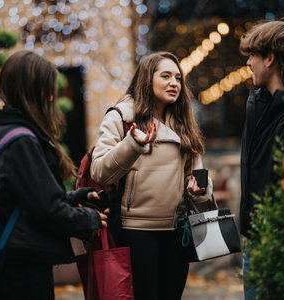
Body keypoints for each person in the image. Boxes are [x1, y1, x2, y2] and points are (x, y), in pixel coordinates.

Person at [90, 51, 213, 300]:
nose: (174, 83)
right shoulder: (121, 117)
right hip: (135, 231)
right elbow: (100, 171)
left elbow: (197, 173)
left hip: (178, 230)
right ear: (147, 80)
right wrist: (132, 145)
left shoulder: (183, 121)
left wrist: (200, 188)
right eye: (165, 76)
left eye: (178, 78)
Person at [0, 50, 107, 300]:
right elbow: (48, 209)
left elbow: (31, 199)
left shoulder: (9, 132)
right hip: (24, 264)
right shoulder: (22, 140)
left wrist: (76, 197)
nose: (52, 97)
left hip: (19, 258)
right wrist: (90, 219)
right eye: (48, 89)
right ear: (33, 90)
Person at [238, 19, 284, 299]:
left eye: (252, 56)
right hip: (255, 239)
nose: (248, 63)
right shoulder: (257, 105)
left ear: (269, 57)